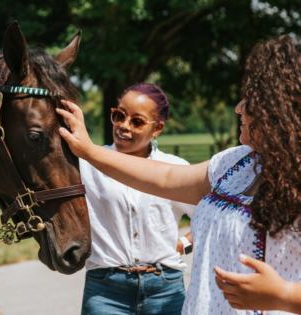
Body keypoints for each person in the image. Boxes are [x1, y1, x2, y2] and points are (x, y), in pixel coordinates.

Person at [56, 35, 301, 314]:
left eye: (251, 100)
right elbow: (165, 179)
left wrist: (284, 294)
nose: (238, 108)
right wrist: (88, 150)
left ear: (279, 110)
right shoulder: (235, 164)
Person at [79, 83, 194, 315]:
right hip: (105, 290)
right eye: (119, 116)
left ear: (157, 128)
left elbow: (210, 216)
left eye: (137, 121)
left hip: (166, 290)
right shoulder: (87, 165)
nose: (124, 126)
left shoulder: (174, 168)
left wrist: (184, 243)